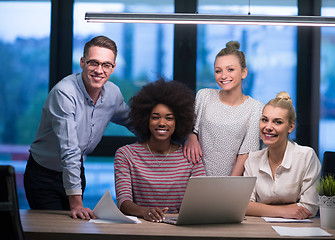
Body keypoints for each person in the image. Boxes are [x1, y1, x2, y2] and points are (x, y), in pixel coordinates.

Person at [24, 36, 132, 220]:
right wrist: (76, 204)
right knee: (54, 230)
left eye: (106, 65)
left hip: (77, 171)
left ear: (113, 68)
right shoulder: (64, 93)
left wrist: (180, 138)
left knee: (75, 228)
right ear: (82, 62)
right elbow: (70, 150)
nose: (99, 70)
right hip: (43, 176)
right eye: (93, 63)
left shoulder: (113, 94)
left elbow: (134, 122)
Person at [114, 79, 206, 223]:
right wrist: (145, 212)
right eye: (155, 117)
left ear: (178, 122)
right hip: (141, 228)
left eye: (169, 118)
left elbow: (202, 201)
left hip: (180, 228)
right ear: (145, 119)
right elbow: (123, 202)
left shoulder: (190, 156)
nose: (162, 123)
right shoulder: (126, 155)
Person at [183, 41, 264, 176]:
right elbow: (190, 128)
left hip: (232, 183)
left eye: (230, 69)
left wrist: (228, 188)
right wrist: (190, 136)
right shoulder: (204, 96)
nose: (223, 76)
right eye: (218, 71)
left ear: (244, 72)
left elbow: (246, 154)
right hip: (196, 177)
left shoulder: (256, 108)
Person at [244, 92, 321, 219]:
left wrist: (260, 208)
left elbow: (309, 208)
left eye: (277, 122)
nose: (268, 127)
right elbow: (245, 206)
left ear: (291, 127)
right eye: (264, 120)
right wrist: (284, 211)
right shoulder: (252, 159)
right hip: (260, 230)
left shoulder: (306, 156)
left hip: (297, 233)